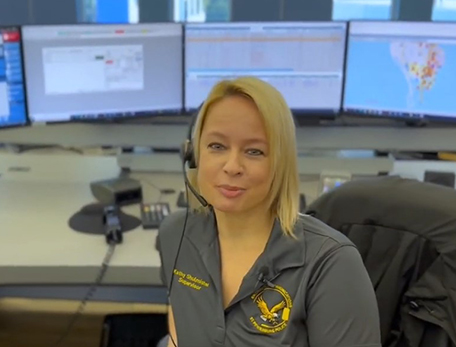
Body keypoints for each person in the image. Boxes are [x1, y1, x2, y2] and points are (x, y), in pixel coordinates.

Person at [156, 77, 381, 347]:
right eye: (217, 146)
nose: (232, 166)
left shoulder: (331, 264)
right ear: (193, 155)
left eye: (254, 151)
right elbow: (178, 333)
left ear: (280, 163)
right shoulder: (176, 234)